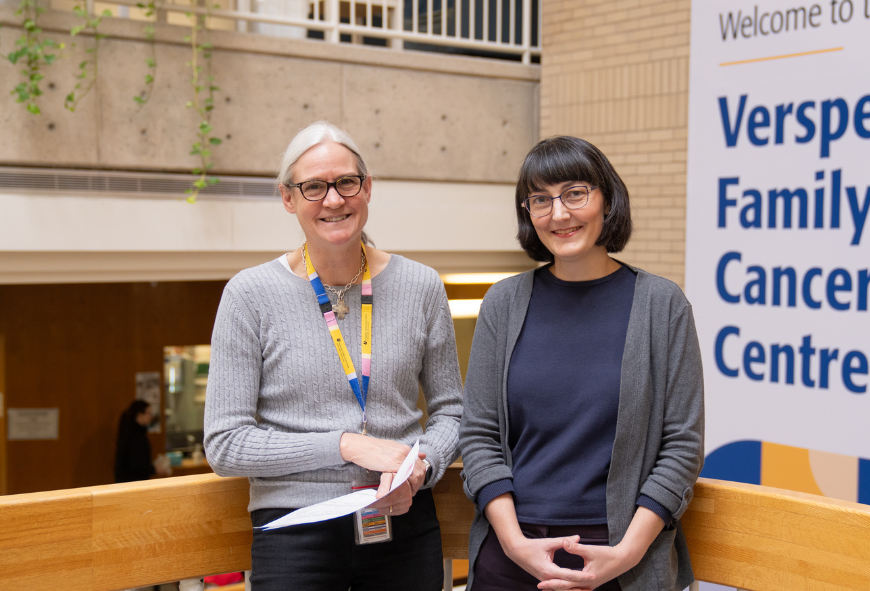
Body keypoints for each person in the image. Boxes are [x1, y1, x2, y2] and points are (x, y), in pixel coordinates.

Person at [204, 121, 462, 591]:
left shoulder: (422, 285)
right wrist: (344, 444)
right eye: (314, 187)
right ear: (288, 198)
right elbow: (225, 444)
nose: (333, 199)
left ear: (367, 188)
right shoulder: (249, 294)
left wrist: (420, 465)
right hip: (294, 529)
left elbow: (453, 412)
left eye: (346, 182)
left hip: (402, 518)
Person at [459, 136, 704, 591]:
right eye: (540, 200)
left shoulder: (661, 305)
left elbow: (682, 446)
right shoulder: (503, 303)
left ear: (607, 200)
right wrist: (513, 543)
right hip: (512, 557)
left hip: (618, 558)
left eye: (575, 193)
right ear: (528, 214)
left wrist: (627, 553)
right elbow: (478, 435)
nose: (559, 213)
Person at [115, 399, 167, 482]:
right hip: (132, 482)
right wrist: (154, 469)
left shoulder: (131, 432)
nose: (150, 416)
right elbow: (136, 464)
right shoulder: (134, 435)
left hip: (129, 481)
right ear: (139, 415)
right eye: (148, 413)